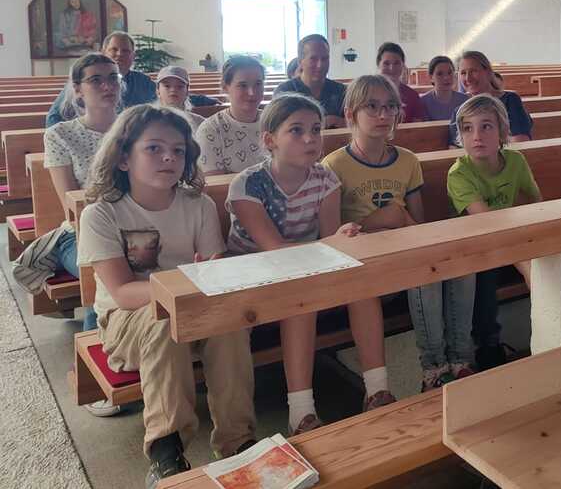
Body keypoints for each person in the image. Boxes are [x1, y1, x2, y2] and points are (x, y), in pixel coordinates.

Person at [78, 106, 257, 485]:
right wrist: (185, 284)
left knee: (230, 322)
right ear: (123, 157)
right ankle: (166, 449)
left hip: (194, 309)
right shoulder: (102, 214)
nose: (169, 158)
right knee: (164, 318)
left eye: (178, 151)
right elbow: (123, 292)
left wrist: (207, 275)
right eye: (154, 148)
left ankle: (237, 440)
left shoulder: (198, 205)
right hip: (127, 323)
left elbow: (213, 269)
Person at [227, 94, 360, 434]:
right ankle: (300, 411)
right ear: (269, 139)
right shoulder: (248, 184)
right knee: (299, 296)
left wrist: (339, 238)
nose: (310, 138)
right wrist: (330, 243)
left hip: (302, 272)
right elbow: (274, 249)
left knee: (346, 288)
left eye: (315, 129)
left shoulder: (325, 179)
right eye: (296, 130)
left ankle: (314, 409)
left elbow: (331, 240)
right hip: (251, 276)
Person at [321, 76, 424, 410]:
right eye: (372, 107)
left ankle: (445, 365)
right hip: (359, 262)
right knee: (364, 281)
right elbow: (331, 234)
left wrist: (396, 219)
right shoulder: (334, 165)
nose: (383, 115)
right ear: (351, 113)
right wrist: (379, 220)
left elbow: (418, 225)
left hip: (400, 254)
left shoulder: (407, 161)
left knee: (443, 268)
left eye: (390, 106)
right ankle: (377, 390)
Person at [13, 54, 120, 350]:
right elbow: (71, 205)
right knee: (103, 270)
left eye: (113, 78)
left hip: (136, 223)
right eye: (96, 80)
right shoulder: (60, 134)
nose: (107, 85)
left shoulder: (134, 127)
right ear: (77, 89)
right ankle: (97, 352)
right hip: (80, 232)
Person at [448, 94, 542, 370]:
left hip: (509, 237)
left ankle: (552, 329)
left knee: (553, 256)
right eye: (468, 128)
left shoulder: (515, 161)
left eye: (486, 126)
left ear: (502, 131)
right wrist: (522, 256)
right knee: (486, 271)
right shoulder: (458, 174)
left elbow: (536, 203)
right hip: (475, 246)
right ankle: (488, 343)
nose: (476, 136)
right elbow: (487, 222)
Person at [46, 31, 156, 126]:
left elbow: (158, 112)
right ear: (103, 53)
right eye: (114, 49)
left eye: (125, 51)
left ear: (133, 56)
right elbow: (54, 117)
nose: (119, 54)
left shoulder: (144, 83)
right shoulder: (83, 82)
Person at [195, 55, 268, 176]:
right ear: (225, 88)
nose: (252, 92)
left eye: (258, 84)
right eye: (243, 85)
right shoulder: (210, 129)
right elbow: (216, 183)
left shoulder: (274, 122)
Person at [448, 51, 532, 147]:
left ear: (487, 72)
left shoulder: (510, 100)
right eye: (463, 73)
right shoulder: (460, 108)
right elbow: (454, 147)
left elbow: (520, 142)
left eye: (473, 71)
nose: (468, 78)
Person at [273, 35, 346, 128]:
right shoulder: (285, 91)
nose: (320, 65)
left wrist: (341, 122)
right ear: (300, 61)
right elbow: (277, 127)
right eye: (313, 59)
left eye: (324, 58)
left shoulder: (342, 91)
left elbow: (355, 123)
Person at [376, 42, 428, 123]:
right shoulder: (368, 94)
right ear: (378, 65)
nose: (392, 68)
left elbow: (417, 127)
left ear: (403, 65)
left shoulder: (412, 95)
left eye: (396, 63)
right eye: (386, 63)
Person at [156, 66, 205, 132]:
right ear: (158, 90)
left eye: (179, 86)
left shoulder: (200, 124)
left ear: (187, 91)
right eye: (167, 86)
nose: (173, 90)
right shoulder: (147, 122)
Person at [420, 56, 468, 121]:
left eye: (449, 73)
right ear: (431, 77)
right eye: (440, 74)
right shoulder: (423, 102)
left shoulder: (464, 101)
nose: (446, 77)